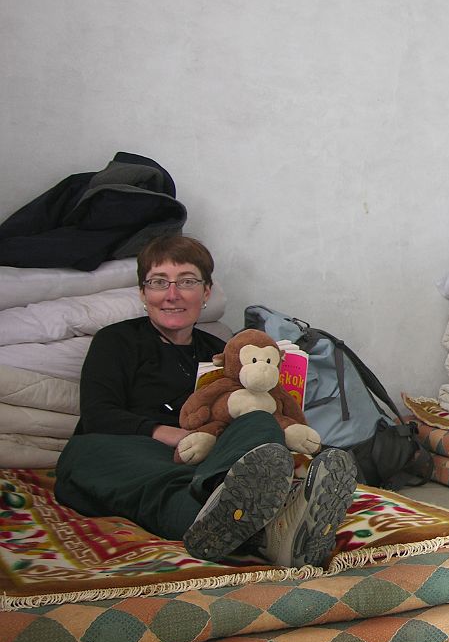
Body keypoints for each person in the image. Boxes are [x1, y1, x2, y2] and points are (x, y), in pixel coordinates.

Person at [55, 235, 359, 568]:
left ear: (206, 293)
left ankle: (234, 508)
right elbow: (98, 414)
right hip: (129, 452)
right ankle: (269, 527)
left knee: (258, 418)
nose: (172, 294)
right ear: (143, 293)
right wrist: (173, 436)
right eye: (159, 282)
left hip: (207, 461)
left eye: (187, 282)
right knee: (95, 457)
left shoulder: (223, 351)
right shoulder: (115, 340)